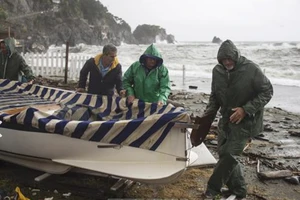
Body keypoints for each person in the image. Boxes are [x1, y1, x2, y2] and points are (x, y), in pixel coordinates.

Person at [203, 40, 273, 199]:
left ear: (236, 56)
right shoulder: (217, 71)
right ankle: (240, 191)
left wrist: (245, 109)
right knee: (224, 154)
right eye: (223, 59)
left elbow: (267, 91)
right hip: (226, 120)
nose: (227, 62)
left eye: (229, 58)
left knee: (229, 155)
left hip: (246, 121)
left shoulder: (251, 69)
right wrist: (207, 116)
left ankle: (212, 190)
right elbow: (214, 96)